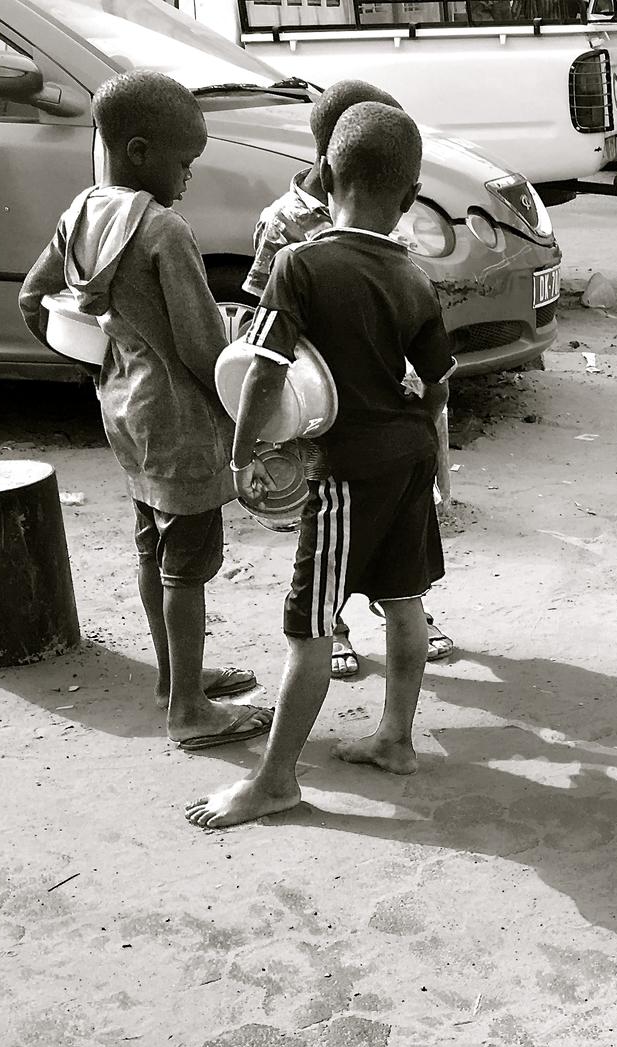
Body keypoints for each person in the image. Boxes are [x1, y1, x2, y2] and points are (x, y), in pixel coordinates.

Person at [186, 102, 454, 829]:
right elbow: (437, 384)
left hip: (346, 474)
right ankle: (394, 739)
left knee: (309, 627)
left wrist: (243, 454)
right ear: (410, 195)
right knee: (403, 600)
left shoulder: (299, 264)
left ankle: (275, 781)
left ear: (326, 174)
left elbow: (264, 368)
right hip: (407, 458)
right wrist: (429, 445)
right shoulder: (414, 277)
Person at [20, 71, 270, 750]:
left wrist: (101, 360)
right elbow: (201, 348)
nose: (188, 177)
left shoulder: (82, 212)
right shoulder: (163, 230)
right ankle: (189, 710)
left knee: (151, 548)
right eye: (184, 162)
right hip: (181, 424)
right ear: (138, 150)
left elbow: (32, 301)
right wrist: (247, 417)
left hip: (125, 410)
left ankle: (172, 678)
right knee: (186, 565)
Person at [243, 78, 456, 681]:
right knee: (325, 541)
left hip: (381, 400)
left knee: (387, 541)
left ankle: (397, 603)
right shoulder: (285, 227)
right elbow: (263, 336)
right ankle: (335, 622)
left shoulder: (382, 221)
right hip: (317, 409)